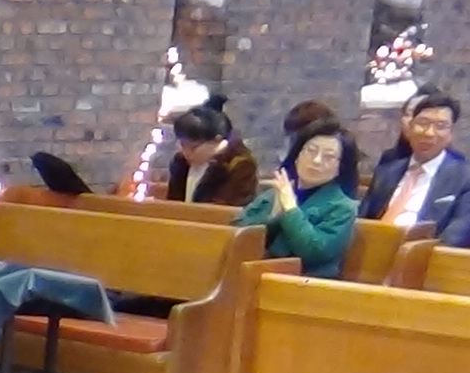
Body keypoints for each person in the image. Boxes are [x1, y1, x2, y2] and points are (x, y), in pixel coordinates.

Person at [236, 121, 360, 278]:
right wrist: (272, 217)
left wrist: (290, 209)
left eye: (328, 157)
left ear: (340, 168)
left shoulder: (343, 207)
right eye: (311, 151)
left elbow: (313, 251)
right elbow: (236, 231)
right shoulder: (275, 193)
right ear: (297, 156)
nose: (316, 160)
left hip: (303, 283)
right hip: (255, 274)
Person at [361, 92, 468, 238]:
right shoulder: (386, 172)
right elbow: (362, 220)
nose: (429, 133)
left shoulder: (464, 178)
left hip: (423, 249)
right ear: (409, 128)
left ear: (451, 133)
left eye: (440, 126)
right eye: (423, 123)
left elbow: (456, 234)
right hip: (374, 245)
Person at [164, 96, 258, 206]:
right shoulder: (181, 162)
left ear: (216, 140)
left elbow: (229, 211)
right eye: (182, 145)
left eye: (193, 147)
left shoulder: (239, 165)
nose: (186, 153)